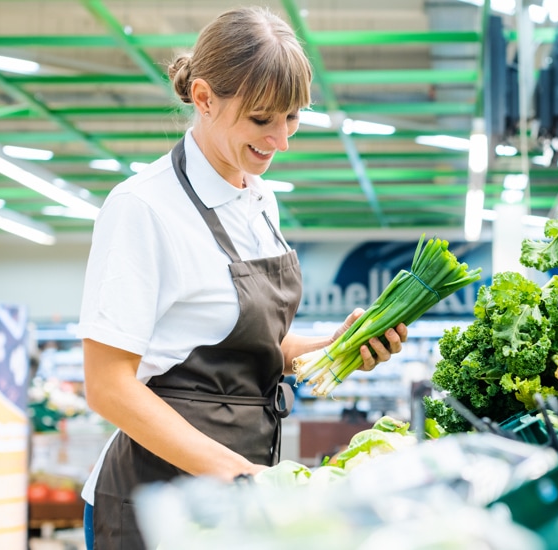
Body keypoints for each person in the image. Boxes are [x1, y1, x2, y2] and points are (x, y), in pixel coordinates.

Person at [76, 7, 407, 549]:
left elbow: (254, 346)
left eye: (293, 117)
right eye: (261, 120)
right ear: (204, 98)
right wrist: (237, 474)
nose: (281, 140)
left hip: (237, 499)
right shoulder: (143, 207)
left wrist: (340, 345)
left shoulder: (260, 200)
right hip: (155, 502)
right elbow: (107, 385)